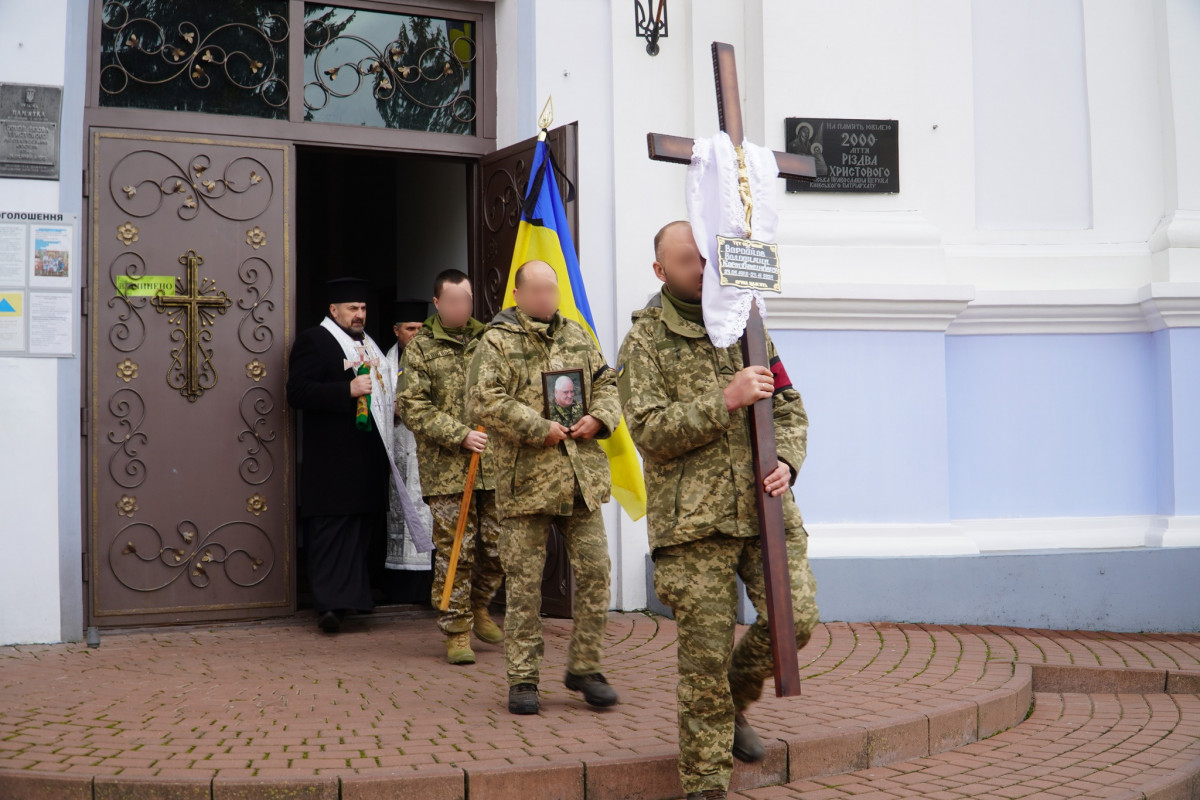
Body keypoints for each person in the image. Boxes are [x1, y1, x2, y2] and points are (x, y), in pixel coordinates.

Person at [616, 222, 821, 800]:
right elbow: (650, 431)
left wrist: (787, 459)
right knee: (702, 661)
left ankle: (736, 696)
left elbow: (789, 406)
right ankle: (706, 785)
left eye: (707, 258)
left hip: (765, 512)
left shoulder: (747, 324)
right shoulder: (645, 341)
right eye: (687, 261)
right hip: (694, 528)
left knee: (796, 620)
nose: (702, 269)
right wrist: (723, 400)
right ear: (660, 271)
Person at [466, 260, 621, 715]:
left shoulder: (576, 335)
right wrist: (538, 427)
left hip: (580, 480)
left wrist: (602, 417)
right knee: (525, 586)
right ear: (518, 294)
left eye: (552, 290)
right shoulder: (495, 340)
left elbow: (608, 381)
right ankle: (523, 678)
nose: (546, 299)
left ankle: (585, 668)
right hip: (526, 483)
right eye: (537, 290)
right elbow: (481, 398)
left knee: (596, 572)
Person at [397, 270, 506, 665]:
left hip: (495, 465)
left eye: (468, 299)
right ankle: (457, 630)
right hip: (448, 469)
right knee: (457, 550)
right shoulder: (421, 349)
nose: (463, 307)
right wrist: (458, 434)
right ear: (438, 303)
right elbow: (412, 406)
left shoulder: (490, 341)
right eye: (454, 301)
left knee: (498, 548)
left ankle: (479, 606)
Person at [287, 277, 396, 634]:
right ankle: (329, 607)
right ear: (333, 310)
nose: (359, 314)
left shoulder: (367, 344)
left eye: (362, 308)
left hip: (364, 460)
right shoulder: (314, 341)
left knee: (358, 531)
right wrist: (345, 390)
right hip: (331, 461)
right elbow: (298, 392)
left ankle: (355, 600)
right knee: (332, 532)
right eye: (352, 308)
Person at [385, 299, 435, 604]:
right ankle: (397, 589)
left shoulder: (434, 358)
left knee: (427, 513)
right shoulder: (383, 362)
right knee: (397, 512)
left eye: (421, 328)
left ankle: (427, 591)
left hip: (426, 448)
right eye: (410, 328)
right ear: (396, 331)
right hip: (395, 446)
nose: (416, 334)